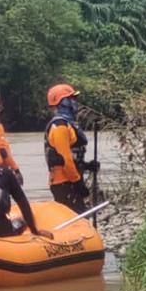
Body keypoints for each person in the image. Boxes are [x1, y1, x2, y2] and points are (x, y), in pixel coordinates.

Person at [43, 83, 97, 213]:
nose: (75, 102)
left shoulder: (67, 124)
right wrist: (78, 183)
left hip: (69, 181)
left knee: (79, 217)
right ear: (63, 102)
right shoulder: (60, 127)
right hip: (64, 183)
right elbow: (65, 158)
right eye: (71, 99)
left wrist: (86, 165)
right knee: (76, 220)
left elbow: (72, 157)